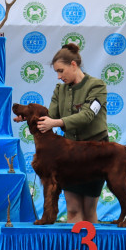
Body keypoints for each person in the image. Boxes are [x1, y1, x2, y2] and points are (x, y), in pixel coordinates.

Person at [35, 42, 108, 224]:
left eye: (61, 71)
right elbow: (49, 115)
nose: (59, 77)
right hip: (69, 155)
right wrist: (28, 117)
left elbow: (88, 115)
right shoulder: (60, 90)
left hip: (94, 153)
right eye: (57, 72)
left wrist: (57, 123)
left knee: (89, 210)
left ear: (73, 65)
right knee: (73, 209)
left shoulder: (97, 86)